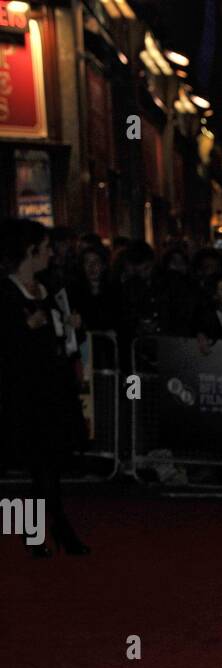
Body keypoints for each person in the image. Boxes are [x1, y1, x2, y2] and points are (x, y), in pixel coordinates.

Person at [0, 217, 90, 555]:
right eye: (47, 248)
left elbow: (62, 341)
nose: (52, 254)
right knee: (42, 466)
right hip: (26, 394)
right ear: (30, 250)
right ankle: (54, 528)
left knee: (48, 465)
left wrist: (71, 327)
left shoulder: (48, 289)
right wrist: (25, 329)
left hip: (54, 389)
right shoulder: (7, 294)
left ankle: (42, 529)